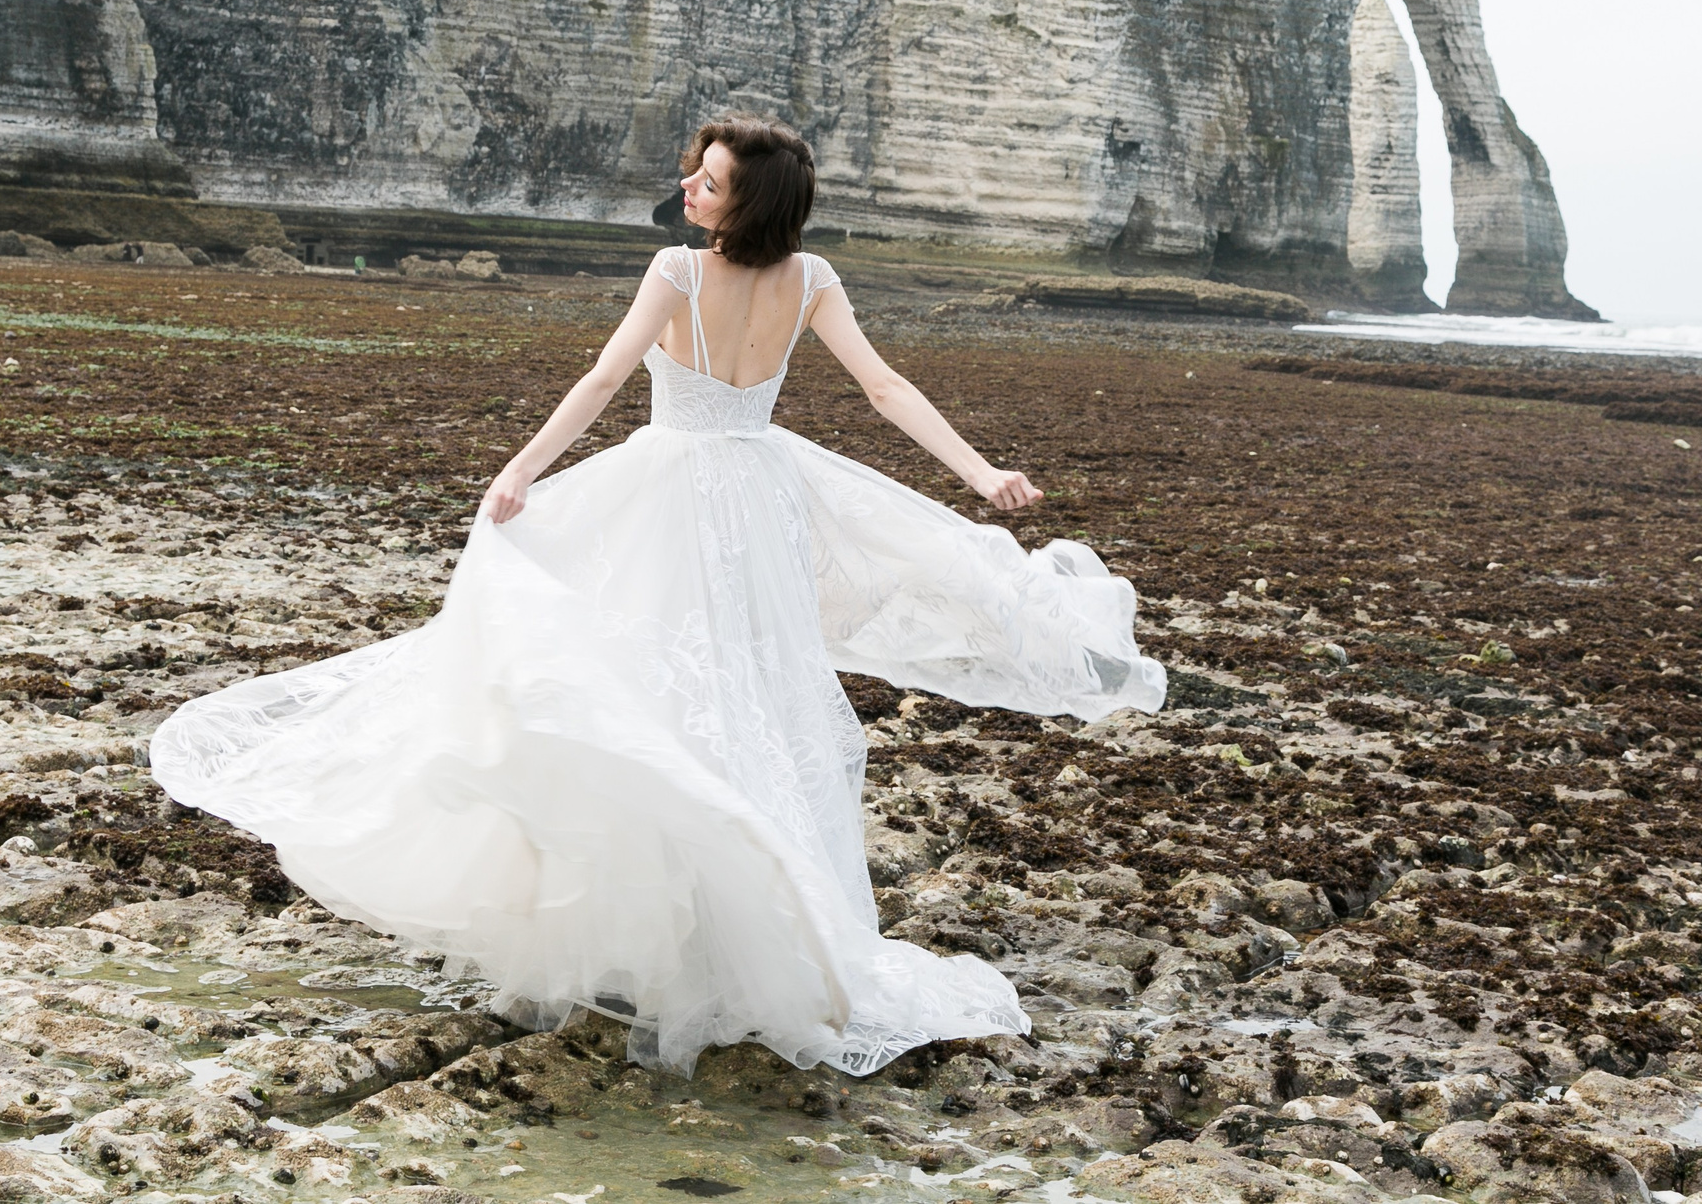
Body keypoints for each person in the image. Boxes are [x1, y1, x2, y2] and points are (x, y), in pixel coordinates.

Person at [151, 114, 1165, 1077]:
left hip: (672, 493)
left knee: (654, 692)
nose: (687, 186)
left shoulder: (678, 270)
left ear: (746, 203)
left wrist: (522, 470)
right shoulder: (810, 278)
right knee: (735, 702)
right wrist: (979, 476)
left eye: (709, 180)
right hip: (757, 496)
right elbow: (885, 390)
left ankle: (691, 931)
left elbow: (604, 376)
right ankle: (725, 932)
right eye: (695, 169)